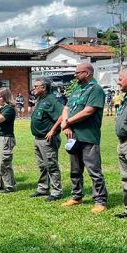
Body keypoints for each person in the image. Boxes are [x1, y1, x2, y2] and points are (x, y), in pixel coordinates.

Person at [61, 63, 108, 214]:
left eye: (78, 73)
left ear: (87, 73)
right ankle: (77, 196)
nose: (75, 75)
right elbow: (66, 108)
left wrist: (68, 121)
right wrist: (65, 124)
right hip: (73, 136)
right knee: (75, 169)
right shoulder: (76, 89)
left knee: (94, 170)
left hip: (88, 136)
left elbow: (88, 111)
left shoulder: (96, 90)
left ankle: (100, 201)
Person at [30, 77, 64, 202]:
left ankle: (56, 191)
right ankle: (43, 188)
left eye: (36, 86)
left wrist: (53, 130)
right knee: (42, 165)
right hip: (38, 138)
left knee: (51, 165)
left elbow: (62, 115)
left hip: (47, 139)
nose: (34, 88)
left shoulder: (51, 100)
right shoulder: (40, 99)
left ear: (44, 87)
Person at [0, 87, 17, 193]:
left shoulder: (9, 109)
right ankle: (0, 184)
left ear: (5, 97)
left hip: (5, 138)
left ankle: (10, 186)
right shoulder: (3, 108)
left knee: (4, 162)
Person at [114, 69, 127, 218]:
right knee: (125, 177)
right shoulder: (124, 98)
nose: (118, 82)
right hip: (122, 143)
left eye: (121, 79)